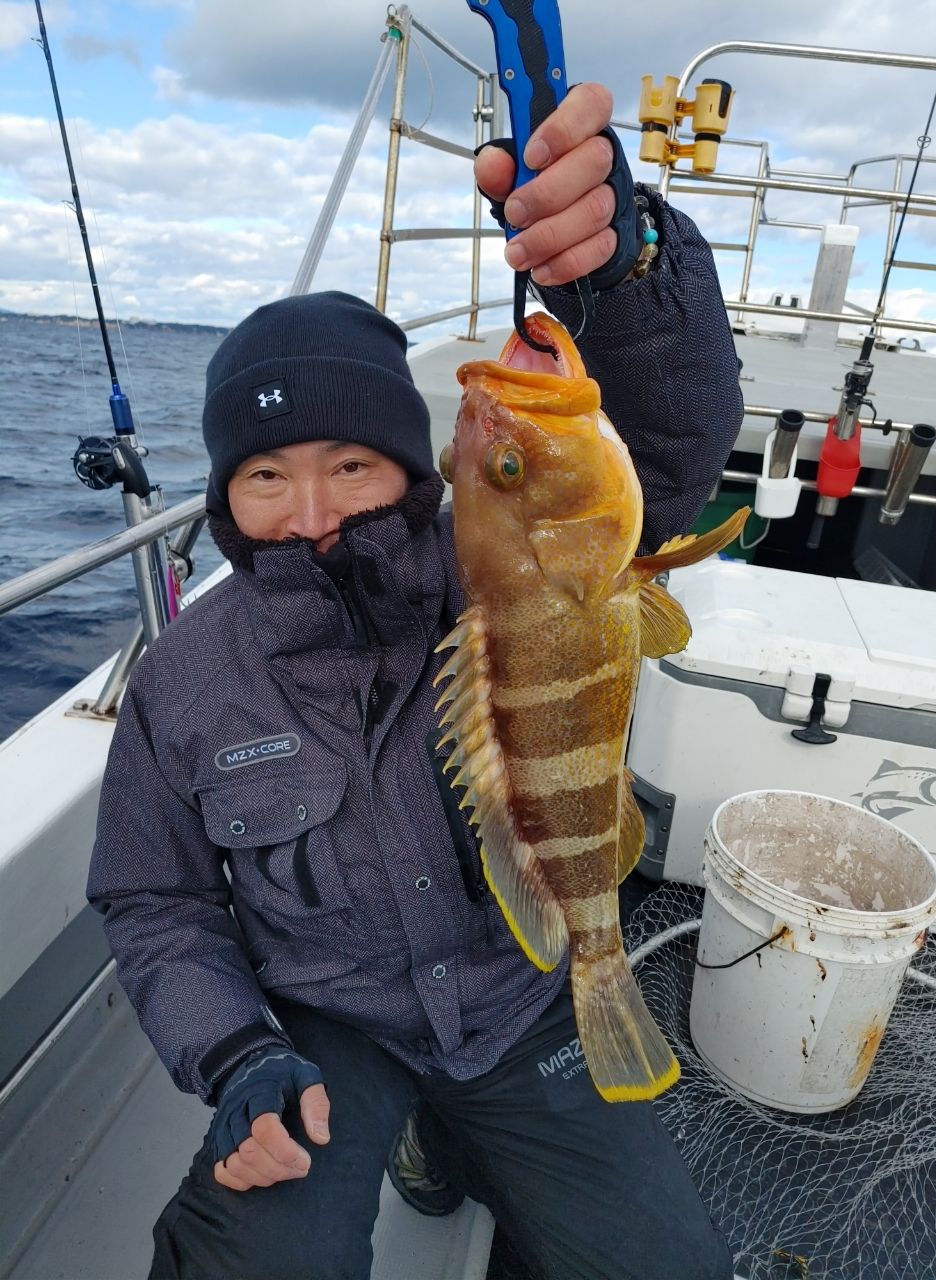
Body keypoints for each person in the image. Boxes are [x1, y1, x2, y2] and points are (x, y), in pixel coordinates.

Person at [88, 84, 743, 1280]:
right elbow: (154, 899)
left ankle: (457, 1135)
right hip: (326, 1023)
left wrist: (620, 265)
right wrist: (235, 1054)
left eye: (352, 463)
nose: (316, 512)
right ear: (225, 497)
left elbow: (663, 447)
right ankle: (412, 1136)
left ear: (417, 467)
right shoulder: (184, 678)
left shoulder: (507, 565)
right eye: (267, 477)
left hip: (520, 993)